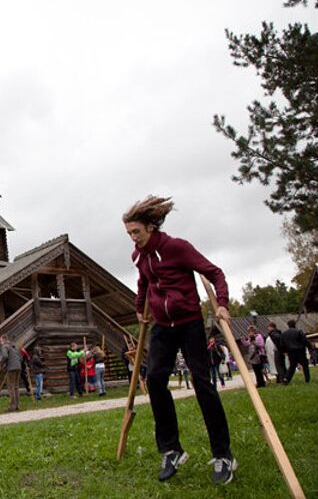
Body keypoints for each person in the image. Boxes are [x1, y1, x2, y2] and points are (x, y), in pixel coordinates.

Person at [123, 195, 236, 484]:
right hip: (162, 326)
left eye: (136, 231)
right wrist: (139, 308)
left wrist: (221, 303)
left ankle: (223, 456)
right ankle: (171, 450)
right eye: (129, 233)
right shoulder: (140, 256)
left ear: (151, 227)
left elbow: (215, 273)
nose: (133, 238)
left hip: (188, 322)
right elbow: (144, 283)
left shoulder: (177, 248)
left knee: (202, 383)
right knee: (157, 380)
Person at [281, 320, 313, 385]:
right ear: (295, 324)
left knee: (292, 366)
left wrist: (284, 351)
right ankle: (307, 379)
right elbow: (304, 340)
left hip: (291, 352)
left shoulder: (284, 334)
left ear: (288, 325)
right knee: (305, 365)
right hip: (300, 351)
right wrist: (310, 347)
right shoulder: (299, 331)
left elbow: (282, 344)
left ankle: (286, 378)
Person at [0, 335, 21, 411]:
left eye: (1, 341)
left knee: (11, 387)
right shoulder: (13, 347)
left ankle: (12, 406)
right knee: (16, 387)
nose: (0, 342)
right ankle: (17, 405)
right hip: (18, 367)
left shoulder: (4, 346)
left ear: (3, 340)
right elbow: (20, 357)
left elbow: (5, 356)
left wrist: (1, 364)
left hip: (11, 368)